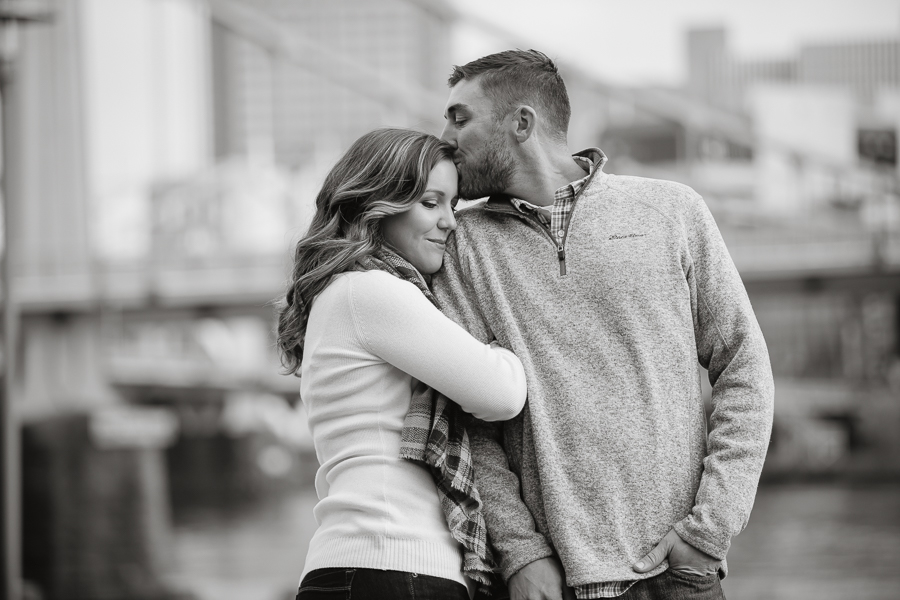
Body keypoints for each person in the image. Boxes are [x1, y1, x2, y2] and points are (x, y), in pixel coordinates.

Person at [432, 49, 775, 600]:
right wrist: (520, 551)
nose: (445, 137)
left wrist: (712, 528)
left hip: (679, 576)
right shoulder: (461, 245)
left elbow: (744, 365)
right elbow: (469, 418)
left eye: (459, 117)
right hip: (552, 583)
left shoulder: (671, 211)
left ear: (522, 123)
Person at [277, 128, 528, 600]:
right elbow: (502, 393)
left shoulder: (346, 292)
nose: (450, 222)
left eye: (452, 205)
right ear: (379, 204)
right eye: (431, 203)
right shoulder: (371, 291)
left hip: (367, 567)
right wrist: (509, 335)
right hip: (390, 566)